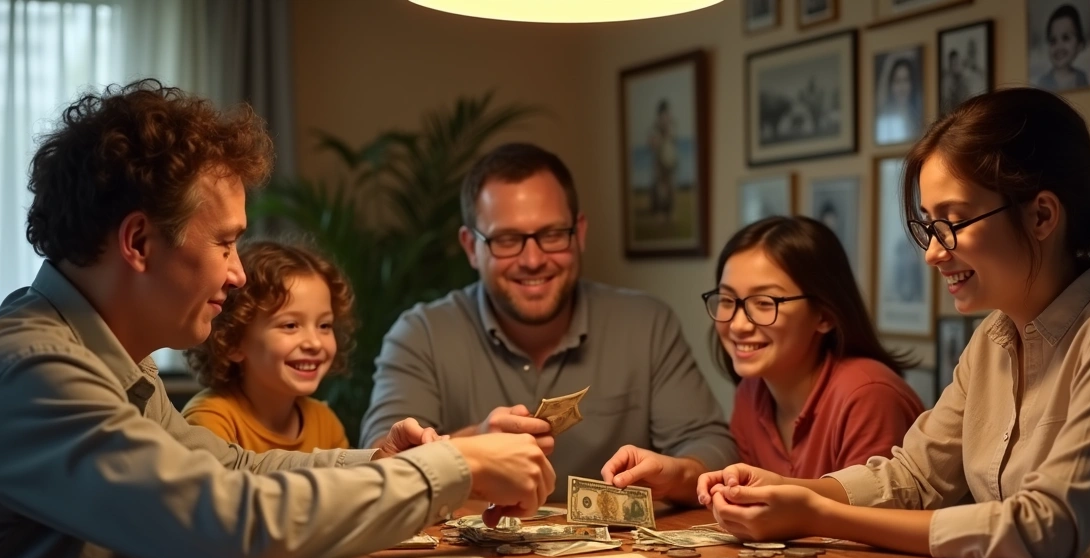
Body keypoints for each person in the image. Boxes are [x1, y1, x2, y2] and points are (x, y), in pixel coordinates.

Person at [0, 80, 555, 558]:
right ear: (140, 242)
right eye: (224, 243)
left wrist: (380, 463)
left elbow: (234, 471)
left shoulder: (115, 361)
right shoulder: (33, 373)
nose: (238, 273)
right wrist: (455, 467)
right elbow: (230, 524)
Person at [698, 87, 1090, 558]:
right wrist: (788, 488)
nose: (933, 252)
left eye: (952, 223)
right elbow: (914, 478)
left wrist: (818, 514)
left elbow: (1044, 529)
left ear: (1042, 216)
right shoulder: (993, 341)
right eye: (929, 225)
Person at [360, 142, 737, 504]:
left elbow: (713, 447)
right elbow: (375, 467)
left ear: (580, 233)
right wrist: (471, 445)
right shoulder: (420, 335)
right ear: (470, 247)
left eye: (552, 235)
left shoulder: (647, 324)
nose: (533, 259)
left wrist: (676, 475)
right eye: (507, 240)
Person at [601, 217, 923, 492]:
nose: (739, 324)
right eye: (727, 301)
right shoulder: (752, 392)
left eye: (765, 304)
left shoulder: (868, 396)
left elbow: (870, 527)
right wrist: (673, 474)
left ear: (824, 316)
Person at [182, 239, 354, 453]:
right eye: (290, 325)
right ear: (232, 342)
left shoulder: (326, 424)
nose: (315, 343)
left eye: (324, 325)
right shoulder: (210, 420)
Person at [1034, 4, 1089, 92]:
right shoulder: (1043, 82)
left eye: (1066, 38)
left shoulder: (1081, 77)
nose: (1059, 46)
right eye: (1053, 41)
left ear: (1080, 44)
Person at [876, 56, 922, 145]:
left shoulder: (918, 117)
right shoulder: (884, 120)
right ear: (891, 85)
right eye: (897, 81)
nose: (902, 87)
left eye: (905, 80)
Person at [648, 100, 678, 219]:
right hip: (659, 165)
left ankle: (670, 212)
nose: (666, 117)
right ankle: (659, 212)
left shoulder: (672, 127)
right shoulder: (655, 128)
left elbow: (673, 143)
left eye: (667, 114)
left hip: (670, 164)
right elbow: (652, 143)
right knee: (660, 189)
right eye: (664, 114)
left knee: (671, 188)